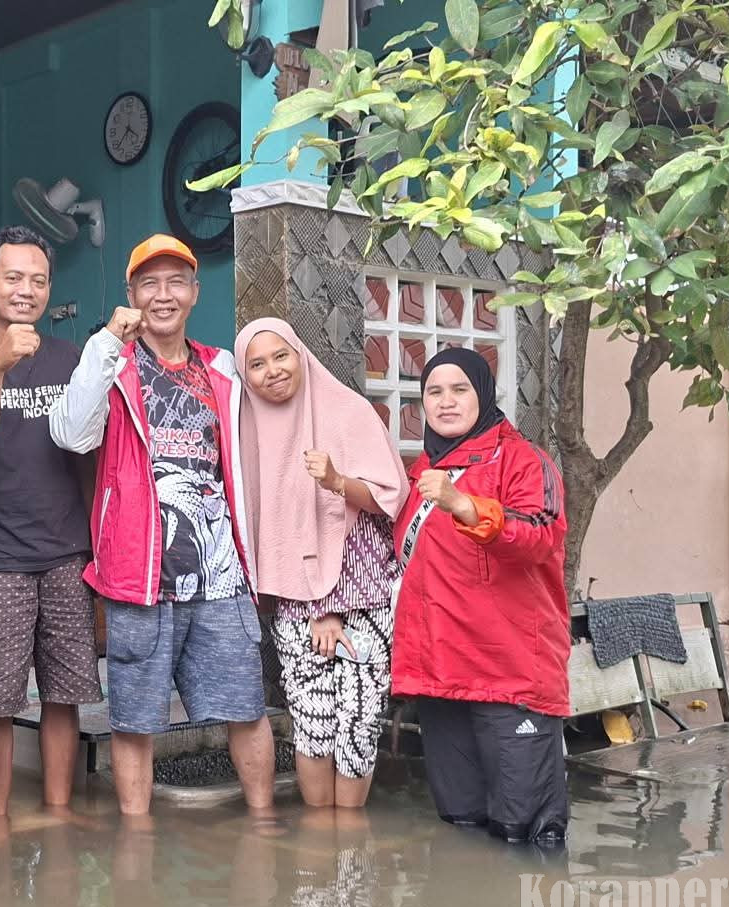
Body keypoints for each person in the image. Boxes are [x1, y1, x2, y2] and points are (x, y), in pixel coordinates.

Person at [49, 233, 272, 815]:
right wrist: (105, 342)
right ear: (132, 295)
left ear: (195, 293)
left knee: (246, 709)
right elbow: (71, 434)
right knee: (134, 722)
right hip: (140, 576)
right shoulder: (112, 365)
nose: (163, 295)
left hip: (221, 574)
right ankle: (136, 843)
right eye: (150, 283)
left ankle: (265, 826)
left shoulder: (223, 370)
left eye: (176, 282)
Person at [0, 226, 101, 816]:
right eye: (13, 278)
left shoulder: (69, 358)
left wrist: (95, 541)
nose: (26, 290)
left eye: (38, 280)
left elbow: (87, 454)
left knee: (64, 694)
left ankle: (58, 819)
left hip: (66, 550)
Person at [392, 347, 571, 846]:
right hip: (440, 676)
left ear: (484, 395)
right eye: (434, 392)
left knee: (526, 834)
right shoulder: (421, 471)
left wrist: (467, 507)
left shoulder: (524, 460)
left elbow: (540, 535)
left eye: (459, 389)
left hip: (510, 674)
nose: (445, 401)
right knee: (461, 824)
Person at [232, 318, 408, 809]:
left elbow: (388, 498)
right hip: (296, 604)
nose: (272, 370)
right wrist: (314, 607)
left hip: (362, 597)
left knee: (358, 726)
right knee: (312, 725)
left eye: (281, 356)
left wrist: (336, 481)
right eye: (257, 364)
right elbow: (264, 530)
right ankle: (318, 845)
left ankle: (348, 842)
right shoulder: (246, 432)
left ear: (301, 355)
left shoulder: (349, 411)